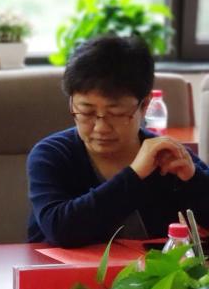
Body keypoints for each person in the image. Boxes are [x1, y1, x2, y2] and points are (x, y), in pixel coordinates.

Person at [27, 35, 209, 247]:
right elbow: (60, 228)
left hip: (147, 269)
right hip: (61, 269)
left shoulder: (166, 156)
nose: (101, 127)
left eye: (117, 113)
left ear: (145, 105)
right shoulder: (51, 154)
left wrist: (193, 181)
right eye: (86, 112)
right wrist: (135, 174)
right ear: (71, 103)